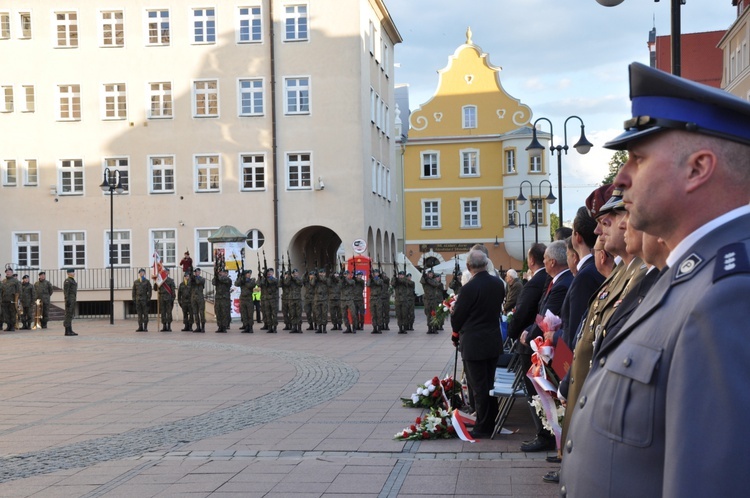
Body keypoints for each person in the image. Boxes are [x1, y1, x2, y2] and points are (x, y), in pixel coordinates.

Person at [559, 62, 750, 497]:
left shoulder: (731, 291)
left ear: (698, 168)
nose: (621, 180)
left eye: (638, 159)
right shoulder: (687, 276)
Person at [519, 240, 574, 453]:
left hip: (554, 348)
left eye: (544, 259)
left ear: (551, 261)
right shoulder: (557, 280)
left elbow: (549, 312)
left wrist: (529, 335)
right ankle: (551, 436)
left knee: (549, 395)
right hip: (548, 345)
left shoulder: (562, 283)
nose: (543, 263)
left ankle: (550, 437)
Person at [450, 249, 505, 439]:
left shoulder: (468, 288)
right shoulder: (498, 284)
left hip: (474, 343)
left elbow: (457, 318)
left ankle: (483, 426)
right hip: (492, 340)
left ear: (468, 266)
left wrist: (454, 321)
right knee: (489, 382)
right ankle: (491, 418)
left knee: (479, 386)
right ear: (486, 264)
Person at [212, 267, 232, 333]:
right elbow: (213, 282)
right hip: (218, 298)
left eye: (222, 272)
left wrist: (218, 276)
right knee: (218, 312)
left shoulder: (228, 279)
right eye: (220, 272)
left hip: (224, 299)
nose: (221, 273)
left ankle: (224, 327)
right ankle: (219, 326)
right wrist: (215, 275)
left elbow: (222, 280)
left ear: (226, 273)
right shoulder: (218, 279)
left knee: (224, 313)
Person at [259, 268, 279, 333]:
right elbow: (259, 284)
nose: (269, 273)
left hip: (273, 299)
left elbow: (272, 282)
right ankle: (269, 327)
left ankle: (275, 327)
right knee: (268, 314)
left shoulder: (274, 280)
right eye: (268, 272)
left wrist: (267, 278)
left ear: (273, 273)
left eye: (270, 272)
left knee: (274, 314)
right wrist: (261, 277)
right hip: (266, 300)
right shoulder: (264, 279)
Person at [420, 269, 440, 334]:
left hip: (433, 300)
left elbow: (435, 284)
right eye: (429, 274)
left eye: (431, 274)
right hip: (427, 300)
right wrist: (423, 276)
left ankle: (434, 328)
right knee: (428, 314)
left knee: (434, 314)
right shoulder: (425, 281)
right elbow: (421, 281)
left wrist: (427, 279)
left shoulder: (433, 280)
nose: (430, 275)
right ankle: (429, 328)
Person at [1, 267, 21, 331]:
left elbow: (19, 290)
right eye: (7, 272)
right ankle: (8, 325)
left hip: (12, 300)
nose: (8, 273)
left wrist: (18, 300)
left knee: (12, 313)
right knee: (6, 314)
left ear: (12, 273)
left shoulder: (15, 281)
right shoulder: (4, 281)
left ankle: (12, 326)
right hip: (4, 300)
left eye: (9, 272)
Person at [286, 268, 304, 333]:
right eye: (294, 273)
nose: (295, 274)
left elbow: (299, 283)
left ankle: (299, 328)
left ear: (298, 274)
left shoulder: (300, 279)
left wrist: (293, 278)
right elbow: (286, 283)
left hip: (298, 299)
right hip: (291, 299)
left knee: (298, 314)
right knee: (292, 313)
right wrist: (290, 277)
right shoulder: (290, 280)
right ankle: (294, 327)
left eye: (296, 273)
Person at [367, 268, 383, 334]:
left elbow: (378, 283)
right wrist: (370, 278)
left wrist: (373, 279)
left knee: (379, 314)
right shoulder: (371, 280)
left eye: (376, 273)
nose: (375, 274)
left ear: (378, 274)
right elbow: (368, 285)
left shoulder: (380, 280)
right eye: (374, 273)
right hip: (372, 299)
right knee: (373, 314)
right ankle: (374, 328)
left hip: (378, 298)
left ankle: (379, 328)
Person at [190, 268, 206, 332]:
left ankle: (203, 327)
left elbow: (198, 282)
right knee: (195, 313)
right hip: (193, 298)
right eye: (195, 272)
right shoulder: (193, 279)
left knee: (201, 313)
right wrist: (192, 277)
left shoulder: (202, 279)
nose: (196, 273)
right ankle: (198, 327)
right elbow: (190, 283)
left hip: (200, 298)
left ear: (199, 272)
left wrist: (194, 277)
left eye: (197, 272)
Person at [63, 268, 78, 336]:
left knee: (70, 315)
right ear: (68, 273)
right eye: (72, 272)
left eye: (73, 272)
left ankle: (70, 330)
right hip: (69, 300)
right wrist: (67, 300)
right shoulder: (68, 281)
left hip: (72, 299)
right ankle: (67, 330)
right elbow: (66, 292)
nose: (73, 273)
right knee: (68, 315)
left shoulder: (72, 280)